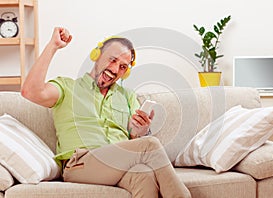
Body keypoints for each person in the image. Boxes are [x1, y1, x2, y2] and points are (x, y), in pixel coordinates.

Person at [21, 27, 191, 198]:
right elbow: (30, 91)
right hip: (81, 164)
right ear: (97, 55)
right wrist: (53, 46)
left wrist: (138, 132)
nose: (116, 69)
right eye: (112, 60)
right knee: (150, 144)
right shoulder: (67, 87)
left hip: (119, 162)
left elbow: (134, 139)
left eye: (123, 66)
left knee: (143, 175)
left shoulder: (127, 97)